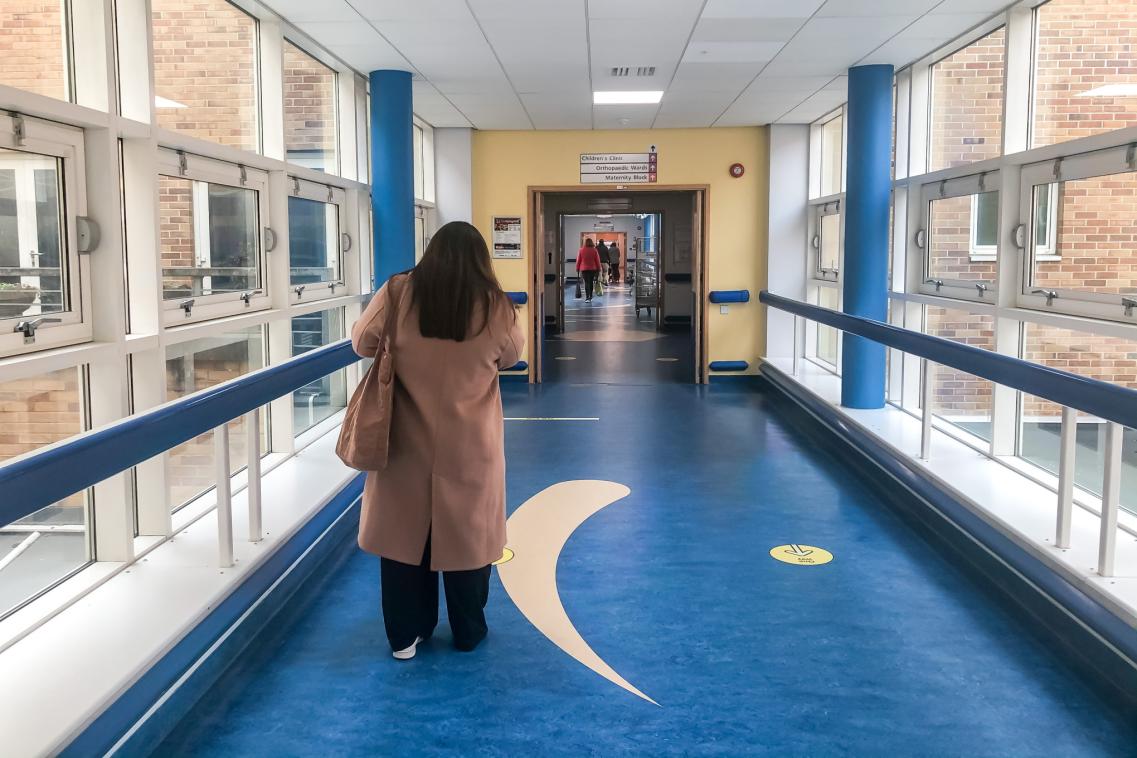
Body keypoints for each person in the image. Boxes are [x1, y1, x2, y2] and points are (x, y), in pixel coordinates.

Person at [350, 221, 525, 661]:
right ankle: (468, 630)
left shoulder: (397, 293)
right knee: (468, 536)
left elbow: (361, 342)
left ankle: (406, 636)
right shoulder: (496, 306)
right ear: (481, 260)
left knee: (404, 537)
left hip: (405, 439)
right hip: (471, 442)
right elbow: (511, 356)